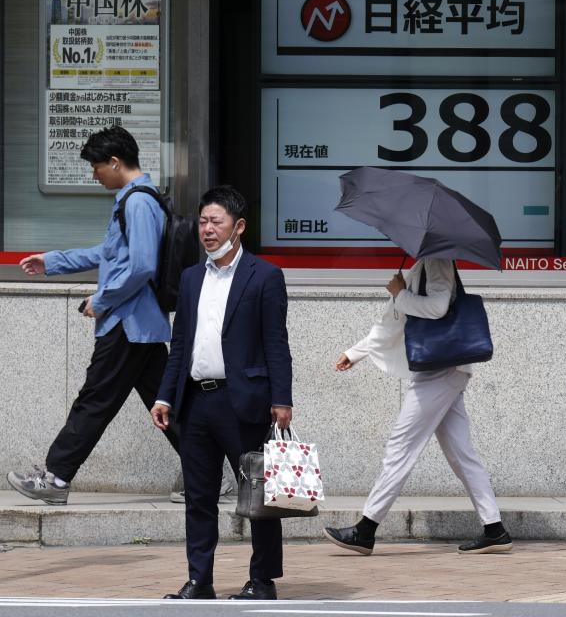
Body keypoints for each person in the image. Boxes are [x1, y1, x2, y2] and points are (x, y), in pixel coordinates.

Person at [6, 126, 183, 504]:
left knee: (95, 399)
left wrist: (101, 300)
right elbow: (109, 253)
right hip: (140, 325)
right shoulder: (138, 199)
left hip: (127, 323)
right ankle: (209, 470)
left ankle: (55, 478)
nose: (94, 174)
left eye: (97, 166)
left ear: (116, 162)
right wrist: (52, 261)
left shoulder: (137, 202)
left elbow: (140, 267)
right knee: (165, 402)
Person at [150, 185, 293, 601]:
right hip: (196, 402)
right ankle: (200, 579)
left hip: (244, 402)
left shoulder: (264, 276)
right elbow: (181, 346)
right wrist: (165, 396)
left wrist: (281, 399)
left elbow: (276, 343)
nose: (207, 230)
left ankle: (262, 580)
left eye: (217, 222)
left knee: (258, 496)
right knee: (198, 497)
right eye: (203, 222)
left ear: (239, 226)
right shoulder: (192, 278)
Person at [323, 257, 512, 555]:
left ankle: (366, 528)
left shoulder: (436, 260)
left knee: (401, 448)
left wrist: (400, 293)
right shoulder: (425, 262)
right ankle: (495, 529)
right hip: (443, 370)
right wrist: (356, 352)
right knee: (462, 455)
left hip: (439, 371)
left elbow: (436, 308)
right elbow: (393, 321)